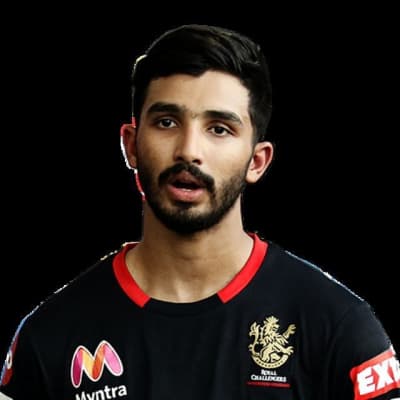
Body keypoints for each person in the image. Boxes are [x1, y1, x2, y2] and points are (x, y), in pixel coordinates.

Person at [0, 24, 398, 400]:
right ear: (131, 145)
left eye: (219, 128)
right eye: (166, 122)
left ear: (257, 161)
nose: (189, 150)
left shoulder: (340, 328)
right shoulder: (49, 335)